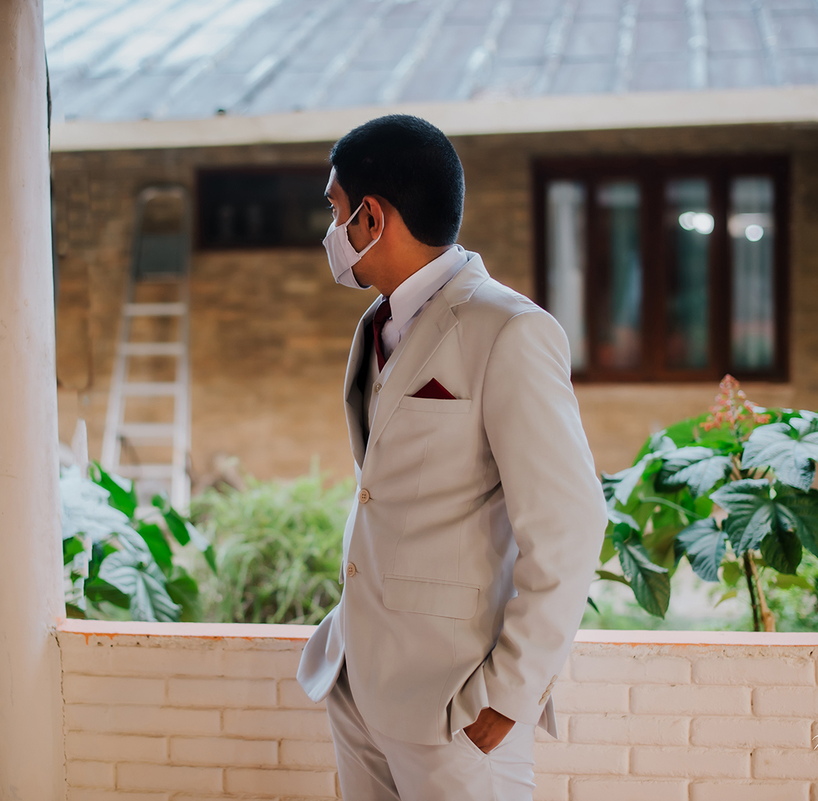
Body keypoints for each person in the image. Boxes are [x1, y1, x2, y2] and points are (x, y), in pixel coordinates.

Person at [296, 114, 607, 800]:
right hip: (358, 681)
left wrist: (508, 695)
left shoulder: (510, 330)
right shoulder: (377, 323)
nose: (332, 230)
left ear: (372, 217)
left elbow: (571, 523)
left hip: (455, 707)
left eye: (337, 211)